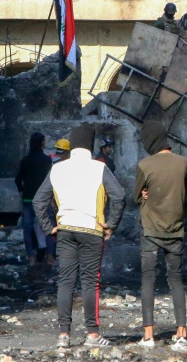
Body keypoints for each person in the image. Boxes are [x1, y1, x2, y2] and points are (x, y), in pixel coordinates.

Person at [33, 125, 126, 349]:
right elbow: (120, 196)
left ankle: (64, 335)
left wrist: (49, 228)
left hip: (65, 230)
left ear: (72, 145)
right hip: (92, 230)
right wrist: (111, 224)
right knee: (90, 282)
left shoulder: (58, 168)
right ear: (91, 145)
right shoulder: (99, 168)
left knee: (65, 281)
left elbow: (38, 201)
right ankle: (92, 334)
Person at [134, 122, 187, 351]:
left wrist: (146, 195)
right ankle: (182, 332)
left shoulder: (144, 165)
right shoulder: (184, 163)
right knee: (175, 279)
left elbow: (137, 196)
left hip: (150, 229)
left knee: (148, 278)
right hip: (175, 228)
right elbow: (184, 193)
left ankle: (148, 334)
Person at [16, 133, 56, 266]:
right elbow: (51, 181)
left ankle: (31, 257)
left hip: (28, 200)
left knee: (27, 229)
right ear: (42, 144)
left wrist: (22, 191)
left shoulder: (25, 160)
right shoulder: (47, 160)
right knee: (48, 228)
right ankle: (50, 257)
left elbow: (18, 180)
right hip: (43, 200)